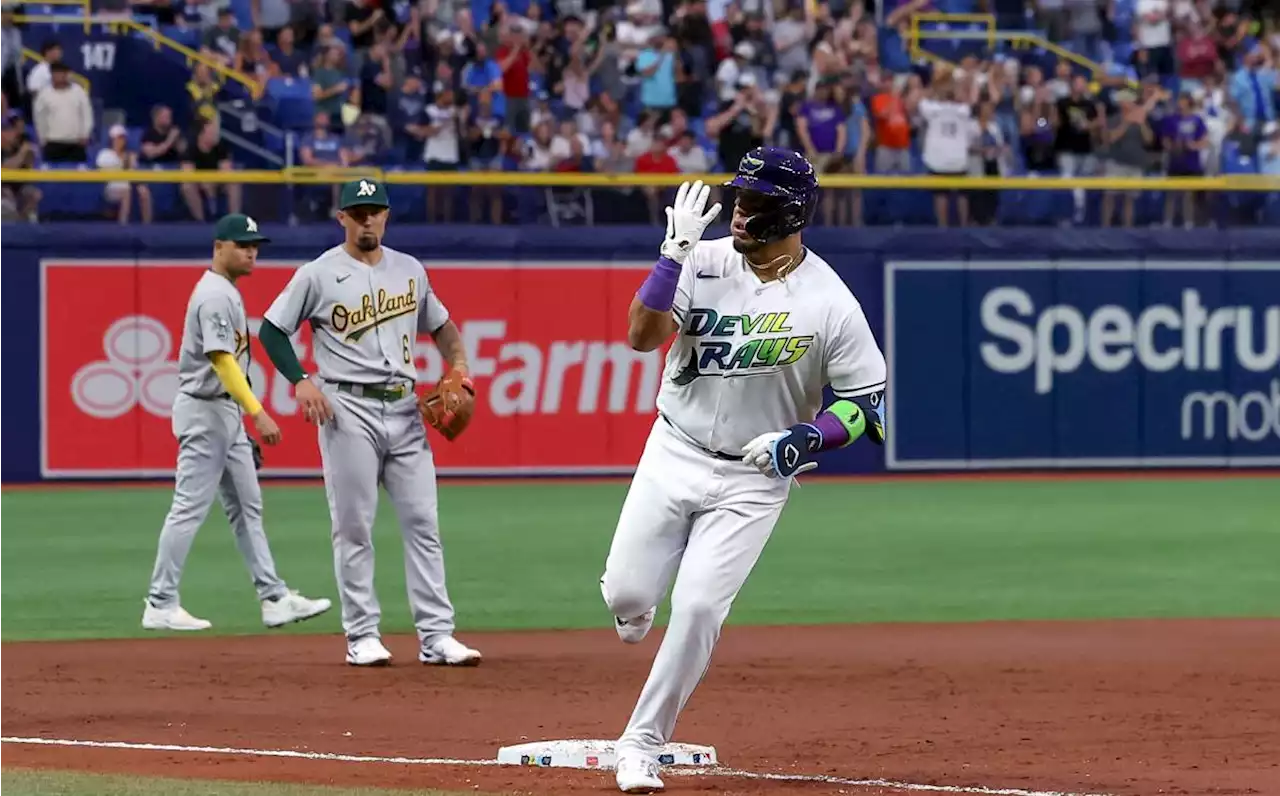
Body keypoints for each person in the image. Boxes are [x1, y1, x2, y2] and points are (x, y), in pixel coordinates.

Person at [602, 148, 887, 793]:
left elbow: (866, 407)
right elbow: (641, 337)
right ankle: (632, 605)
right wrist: (672, 254)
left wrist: (804, 438)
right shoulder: (700, 262)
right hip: (672, 449)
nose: (736, 212)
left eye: (753, 204)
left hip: (753, 479)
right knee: (626, 596)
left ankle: (643, 743)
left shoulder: (830, 302)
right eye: (737, 198)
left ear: (790, 214)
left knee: (700, 607)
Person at [257, 178, 482, 668]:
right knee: (354, 526)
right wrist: (300, 380)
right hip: (346, 409)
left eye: (374, 210)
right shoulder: (317, 274)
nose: (367, 219)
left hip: (405, 408)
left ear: (385, 215)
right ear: (341, 218)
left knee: (424, 523)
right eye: (357, 212)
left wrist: (459, 365)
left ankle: (437, 636)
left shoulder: (409, 269)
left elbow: (441, 325)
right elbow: (272, 329)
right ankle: (361, 634)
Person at [143, 214, 333, 632]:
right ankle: (160, 601)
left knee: (247, 509)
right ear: (219, 247)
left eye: (254, 245)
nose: (251, 252)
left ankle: (274, 598)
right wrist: (257, 412)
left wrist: (239, 423)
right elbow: (222, 360)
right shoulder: (213, 294)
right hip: (205, 409)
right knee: (189, 507)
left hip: (224, 413)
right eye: (242, 245)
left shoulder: (226, 291)